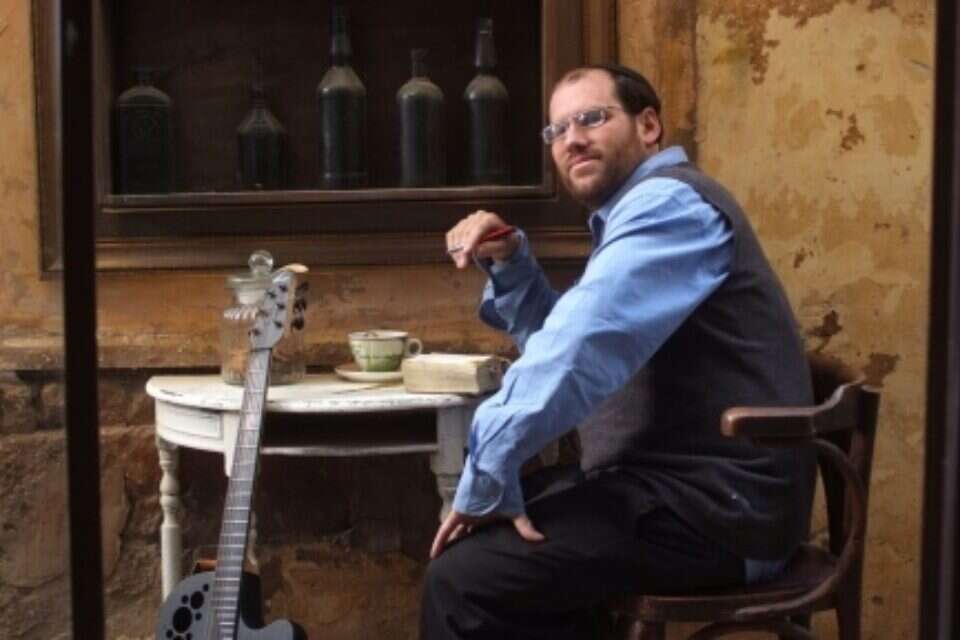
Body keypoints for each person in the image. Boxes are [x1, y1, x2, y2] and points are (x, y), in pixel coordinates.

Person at [421, 64, 816, 640]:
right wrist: (511, 263)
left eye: (591, 118)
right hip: (673, 491)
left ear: (648, 126)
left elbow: (579, 349)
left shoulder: (669, 207)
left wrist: (489, 466)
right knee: (487, 553)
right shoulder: (635, 214)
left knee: (462, 581)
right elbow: (568, 340)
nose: (572, 139)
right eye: (557, 129)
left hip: (720, 512)